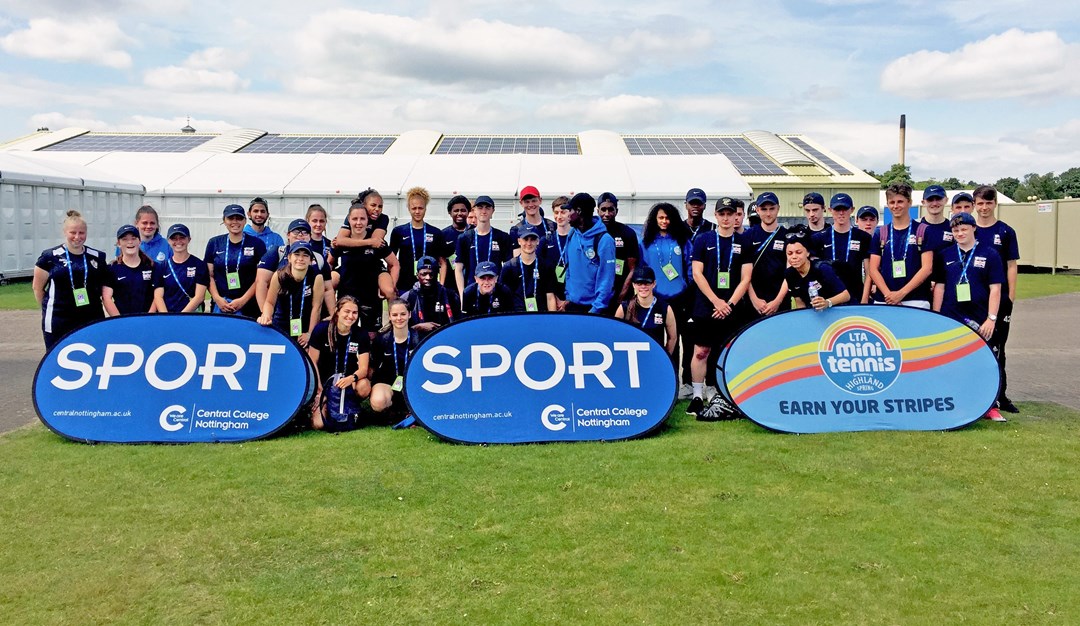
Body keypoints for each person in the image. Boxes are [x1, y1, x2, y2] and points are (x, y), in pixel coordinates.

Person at [932, 211, 1005, 421]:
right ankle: (951, 402)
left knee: (982, 364)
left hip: (980, 319)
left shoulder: (990, 254)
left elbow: (996, 289)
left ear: (974, 228)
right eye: (955, 230)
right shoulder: (945, 255)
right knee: (950, 363)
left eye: (964, 229)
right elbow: (939, 288)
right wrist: (936, 317)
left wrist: (991, 318)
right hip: (950, 317)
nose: (960, 233)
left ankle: (989, 406)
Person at [686, 198, 753, 418]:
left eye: (730, 214)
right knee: (701, 351)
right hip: (706, 306)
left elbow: (746, 278)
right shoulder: (704, 239)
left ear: (737, 216)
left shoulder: (744, 242)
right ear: (716, 216)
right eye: (722, 214)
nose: (726, 218)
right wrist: (716, 301)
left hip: (732, 307)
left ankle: (724, 393)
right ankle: (697, 395)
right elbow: (697, 274)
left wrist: (729, 304)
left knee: (728, 352)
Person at [972, 185, 1020, 414]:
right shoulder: (969, 231)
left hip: (999, 301)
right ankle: (977, 393)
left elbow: (1011, 266)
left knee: (998, 348)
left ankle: (1001, 395)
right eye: (980, 203)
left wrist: (1009, 296)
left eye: (988, 203)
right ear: (974, 205)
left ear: (995, 204)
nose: (984, 208)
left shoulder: (1006, 231)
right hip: (975, 300)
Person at [32, 210, 111, 349]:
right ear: (65, 232)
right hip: (58, 320)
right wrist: (49, 308)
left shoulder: (97, 257)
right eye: (73, 232)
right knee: (56, 359)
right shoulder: (50, 257)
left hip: (90, 318)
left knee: (93, 358)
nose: (77, 237)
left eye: (81, 233)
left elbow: (104, 288)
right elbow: (37, 288)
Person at [639, 201, 694, 397]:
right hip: (657, 299)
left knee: (681, 340)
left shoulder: (682, 240)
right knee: (658, 340)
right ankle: (662, 381)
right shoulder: (645, 242)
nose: (664, 221)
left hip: (680, 297)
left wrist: (687, 288)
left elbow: (690, 266)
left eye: (668, 218)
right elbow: (642, 269)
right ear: (654, 219)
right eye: (661, 217)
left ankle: (684, 384)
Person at [308, 296, 372, 432]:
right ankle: (321, 405)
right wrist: (319, 391)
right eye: (346, 311)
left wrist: (350, 378)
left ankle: (350, 406)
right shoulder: (321, 329)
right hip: (325, 383)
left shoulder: (361, 334)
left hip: (348, 382)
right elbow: (312, 361)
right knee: (319, 424)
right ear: (337, 311)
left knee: (364, 386)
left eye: (355, 313)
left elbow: (363, 369)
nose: (350, 316)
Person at [336, 201, 400, 334]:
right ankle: (331, 317)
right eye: (355, 219)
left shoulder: (377, 242)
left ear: (367, 221)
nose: (358, 222)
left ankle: (393, 323)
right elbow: (328, 264)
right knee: (344, 331)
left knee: (372, 335)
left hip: (369, 294)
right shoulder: (340, 242)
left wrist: (390, 287)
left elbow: (394, 264)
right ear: (348, 220)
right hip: (348, 291)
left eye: (362, 219)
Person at [868, 183, 934, 308]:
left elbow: (927, 268)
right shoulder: (880, 233)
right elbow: (873, 269)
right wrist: (889, 295)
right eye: (892, 202)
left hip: (915, 300)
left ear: (909, 202)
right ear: (887, 204)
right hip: (885, 300)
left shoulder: (923, 230)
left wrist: (901, 294)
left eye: (900, 201)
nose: (896, 206)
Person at [256, 218, 336, 318]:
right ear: (288, 235)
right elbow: (261, 283)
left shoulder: (318, 258)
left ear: (310, 236)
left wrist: (334, 315)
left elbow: (328, 289)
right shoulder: (277, 253)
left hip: (307, 316)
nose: (300, 235)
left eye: (305, 232)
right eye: (296, 231)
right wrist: (265, 314)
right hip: (281, 315)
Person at [258, 241, 324, 347]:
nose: (300, 259)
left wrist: (310, 334)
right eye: (297, 254)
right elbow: (269, 302)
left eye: (305, 255)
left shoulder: (317, 277)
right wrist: (266, 315)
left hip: (304, 327)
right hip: (281, 324)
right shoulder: (279, 275)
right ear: (289, 258)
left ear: (311, 260)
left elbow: (316, 308)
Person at [205, 204, 266, 317]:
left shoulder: (257, 244)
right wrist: (217, 298)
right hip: (221, 305)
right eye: (230, 218)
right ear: (224, 220)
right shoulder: (214, 243)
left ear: (245, 220)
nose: (235, 222)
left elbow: (261, 278)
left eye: (239, 218)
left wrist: (243, 300)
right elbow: (209, 275)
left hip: (249, 305)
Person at [333, 189, 395, 302]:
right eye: (373, 205)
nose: (377, 209)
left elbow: (376, 240)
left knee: (389, 290)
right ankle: (331, 313)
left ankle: (394, 313)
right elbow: (340, 240)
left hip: (372, 262)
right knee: (329, 281)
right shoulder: (353, 216)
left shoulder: (383, 218)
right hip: (351, 264)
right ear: (364, 206)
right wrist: (368, 242)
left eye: (380, 206)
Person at [810, 193, 872, 303]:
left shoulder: (863, 237)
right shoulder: (819, 238)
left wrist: (864, 298)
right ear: (830, 210)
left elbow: (869, 272)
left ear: (852, 210)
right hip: (830, 297)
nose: (841, 213)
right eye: (837, 209)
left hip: (856, 296)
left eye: (845, 209)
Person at [563, 192, 616, 314]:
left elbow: (606, 279)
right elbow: (568, 268)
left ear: (579, 211)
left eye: (569, 211)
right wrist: (568, 297)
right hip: (572, 306)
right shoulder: (572, 234)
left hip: (594, 309)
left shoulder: (604, 240)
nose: (567, 215)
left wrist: (596, 308)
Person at [454, 195, 512, 303]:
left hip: (496, 293)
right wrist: (462, 295)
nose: (484, 211)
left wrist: (505, 291)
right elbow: (458, 269)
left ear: (493, 211)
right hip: (472, 293)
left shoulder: (503, 237)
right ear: (474, 210)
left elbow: (508, 268)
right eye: (480, 207)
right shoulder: (464, 238)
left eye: (487, 208)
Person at [370, 299, 421, 423]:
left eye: (403, 314)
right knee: (378, 402)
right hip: (388, 383)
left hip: (413, 383)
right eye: (395, 315)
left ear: (409, 314)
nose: (399, 318)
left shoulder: (419, 338)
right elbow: (374, 367)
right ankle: (393, 412)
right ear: (389, 317)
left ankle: (412, 412)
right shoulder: (381, 340)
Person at [390, 186, 448, 293]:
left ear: (425, 208)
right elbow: (391, 261)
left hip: (430, 284)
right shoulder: (399, 231)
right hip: (404, 285)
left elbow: (443, 263)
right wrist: (392, 284)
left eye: (420, 208)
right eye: (414, 208)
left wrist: (442, 286)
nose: (417, 211)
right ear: (408, 208)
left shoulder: (436, 233)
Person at [615, 266, 677, 355]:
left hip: (654, 356)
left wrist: (665, 358)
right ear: (633, 285)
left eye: (647, 283)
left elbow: (673, 337)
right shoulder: (624, 307)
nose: (643, 287)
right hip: (631, 357)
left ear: (654, 284)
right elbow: (615, 334)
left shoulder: (664, 308)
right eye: (639, 283)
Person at [746, 191, 789, 318]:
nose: (768, 213)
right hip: (753, 303)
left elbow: (790, 271)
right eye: (764, 209)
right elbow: (744, 274)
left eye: (772, 209)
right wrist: (754, 300)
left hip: (780, 302)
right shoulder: (748, 236)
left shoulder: (787, 236)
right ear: (758, 210)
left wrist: (778, 301)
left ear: (778, 209)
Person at [103, 224, 163, 316]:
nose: (130, 242)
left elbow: (157, 296)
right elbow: (107, 297)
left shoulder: (153, 267)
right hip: (123, 323)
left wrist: (148, 318)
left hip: (148, 321)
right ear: (119, 243)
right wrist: (119, 320)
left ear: (139, 241)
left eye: (134, 238)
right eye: (125, 239)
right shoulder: (112, 269)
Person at [597, 192, 640, 315]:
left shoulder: (627, 233)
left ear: (616, 211)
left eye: (610, 209)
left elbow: (633, 268)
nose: (606, 214)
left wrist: (622, 294)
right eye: (603, 209)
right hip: (598, 294)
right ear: (597, 210)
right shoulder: (592, 233)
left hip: (621, 294)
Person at [783, 230, 850, 310]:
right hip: (814, 313)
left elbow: (846, 295)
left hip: (837, 311)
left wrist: (827, 302)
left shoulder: (822, 268)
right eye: (790, 253)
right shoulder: (789, 274)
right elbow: (799, 303)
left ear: (807, 253)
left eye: (798, 252)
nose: (794, 257)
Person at [157, 224, 209, 313]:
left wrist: (181, 317)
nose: (178, 241)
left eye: (182, 237)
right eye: (174, 238)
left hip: (191, 316)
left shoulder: (199, 265)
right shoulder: (162, 267)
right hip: (168, 318)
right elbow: (158, 296)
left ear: (189, 239)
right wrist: (166, 317)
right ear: (168, 241)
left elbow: (199, 297)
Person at [402, 256, 458, 338]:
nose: (428, 278)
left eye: (431, 274)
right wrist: (418, 327)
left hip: (446, 338)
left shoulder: (450, 296)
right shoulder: (408, 297)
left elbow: (458, 323)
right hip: (418, 343)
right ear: (417, 275)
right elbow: (399, 327)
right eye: (424, 274)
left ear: (437, 275)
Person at [500, 226, 553, 312]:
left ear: (538, 241)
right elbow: (503, 298)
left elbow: (550, 297)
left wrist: (552, 320)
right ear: (519, 241)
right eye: (525, 239)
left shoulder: (546, 266)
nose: (529, 243)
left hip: (541, 316)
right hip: (517, 316)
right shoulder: (509, 267)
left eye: (532, 239)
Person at [540, 196, 573, 311]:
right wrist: (555, 299)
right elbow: (542, 273)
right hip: (552, 298)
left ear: (571, 213)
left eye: (563, 212)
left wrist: (568, 301)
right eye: (556, 212)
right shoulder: (546, 241)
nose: (559, 216)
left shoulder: (578, 239)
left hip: (573, 298)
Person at [441, 195, 472, 291]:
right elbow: (442, 262)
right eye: (456, 210)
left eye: (463, 210)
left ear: (468, 212)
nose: (459, 213)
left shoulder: (475, 232)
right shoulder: (443, 235)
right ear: (450, 213)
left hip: (471, 283)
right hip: (450, 286)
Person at [918, 185, 953, 252]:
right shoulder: (916, 227)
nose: (934, 203)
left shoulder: (953, 228)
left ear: (946, 200)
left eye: (938, 199)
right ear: (923, 202)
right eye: (930, 200)